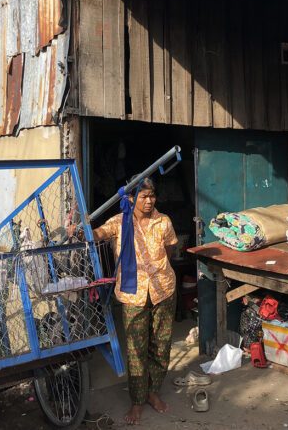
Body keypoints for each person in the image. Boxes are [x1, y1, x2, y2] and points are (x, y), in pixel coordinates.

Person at [92, 177, 178, 425]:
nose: (149, 201)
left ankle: (153, 393)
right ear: (131, 198)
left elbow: (169, 251)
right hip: (133, 295)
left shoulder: (164, 222)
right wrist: (80, 230)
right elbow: (98, 233)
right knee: (136, 351)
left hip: (164, 291)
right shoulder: (120, 223)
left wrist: (157, 271)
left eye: (152, 196)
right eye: (144, 196)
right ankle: (137, 401)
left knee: (161, 346)